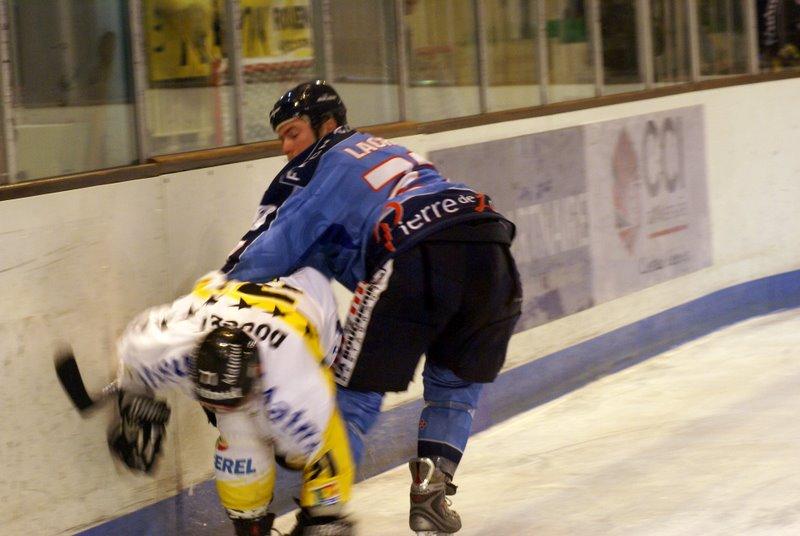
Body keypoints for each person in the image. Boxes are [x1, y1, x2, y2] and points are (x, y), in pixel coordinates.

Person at [223, 80, 522, 534]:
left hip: (414, 252)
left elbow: (272, 249)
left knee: (355, 397)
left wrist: (217, 293)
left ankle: (323, 516)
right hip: (490, 243)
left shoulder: (314, 165)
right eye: (281, 138)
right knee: (456, 383)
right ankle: (431, 492)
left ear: (328, 125)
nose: (286, 148)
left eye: (293, 132)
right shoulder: (389, 148)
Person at [108, 268, 355, 536]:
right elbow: (130, 353)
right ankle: (251, 526)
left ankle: (320, 516)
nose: (222, 410)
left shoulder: (295, 387)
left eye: (230, 403)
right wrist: (134, 396)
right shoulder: (176, 345)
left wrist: (322, 515)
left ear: (259, 375)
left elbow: (322, 451)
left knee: (307, 456)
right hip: (238, 287)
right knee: (239, 436)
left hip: (311, 305)